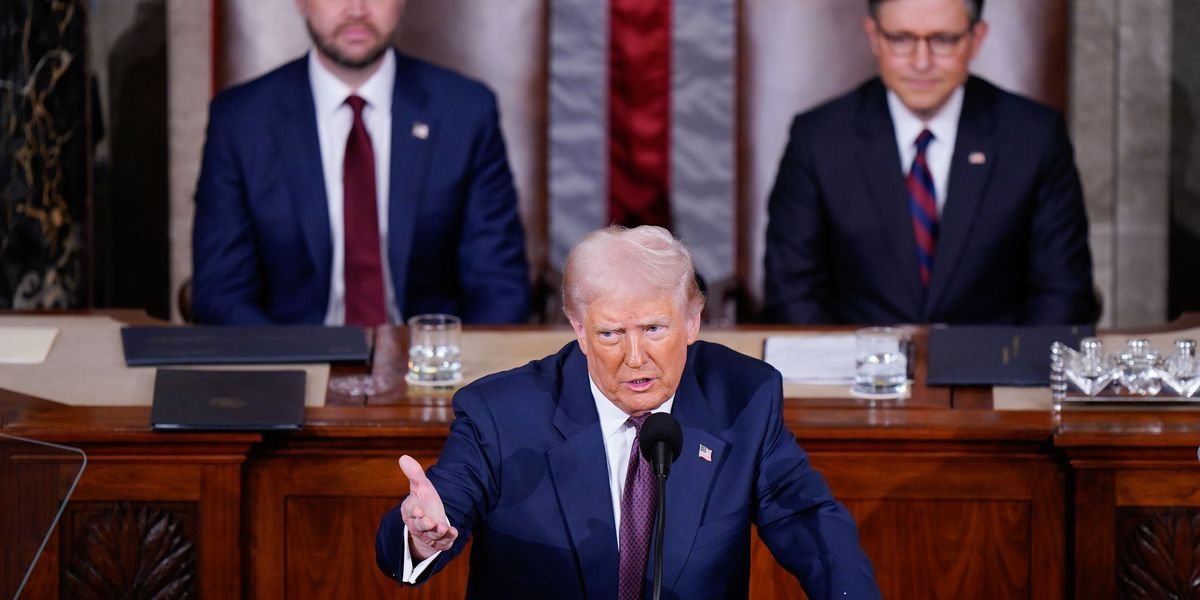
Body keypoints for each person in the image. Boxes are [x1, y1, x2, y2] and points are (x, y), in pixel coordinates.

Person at [376, 226, 880, 599]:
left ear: (692, 320)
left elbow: (807, 518)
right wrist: (419, 537)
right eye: (611, 333)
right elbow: (437, 513)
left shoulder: (743, 397)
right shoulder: (502, 413)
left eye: (654, 329)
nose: (635, 357)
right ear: (578, 328)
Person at [192, 0, 529, 326]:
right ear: (301, 2)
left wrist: (457, 358)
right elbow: (221, 291)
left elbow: (499, 284)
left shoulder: (466, 112)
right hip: (291, 354)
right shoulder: (240, 121)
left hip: (431, 355)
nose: (356, 10)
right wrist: (288, 358)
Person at [762, 0, 1097, 326]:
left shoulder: (1034, 136)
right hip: (855, 359)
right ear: (874, 36)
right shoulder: (818, 138)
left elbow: (1063, 293)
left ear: (976, 38)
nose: (921, 62)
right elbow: (792, 291)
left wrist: (1014, 362)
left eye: (943, 40)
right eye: (901, 39)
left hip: (997, 359)